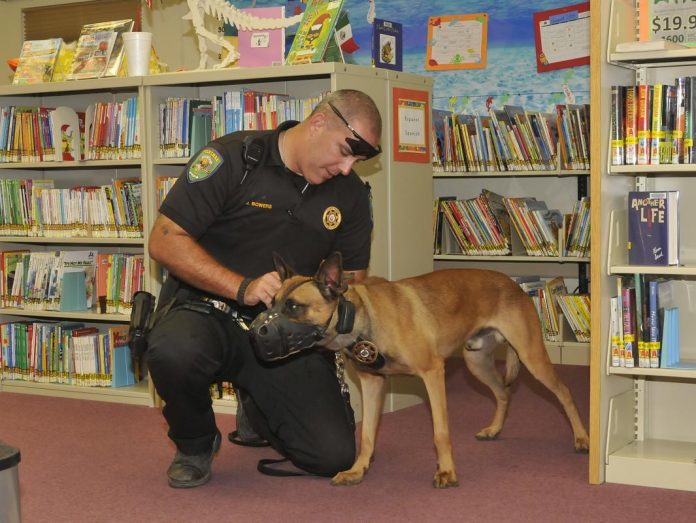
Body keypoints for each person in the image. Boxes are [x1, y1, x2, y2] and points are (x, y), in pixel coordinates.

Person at [146, 89, 382, 488]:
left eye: (356, 160)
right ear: (320, 121)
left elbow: (354, 282)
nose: (346, 168)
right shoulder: (233, 158)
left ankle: (257, 404)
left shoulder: (352, 195)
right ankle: (194, 443)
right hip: (208, 312)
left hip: (291, 329)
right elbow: (164, 240)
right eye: (345, 151)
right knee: (173, 350)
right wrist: (241, 286)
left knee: (332, 456)